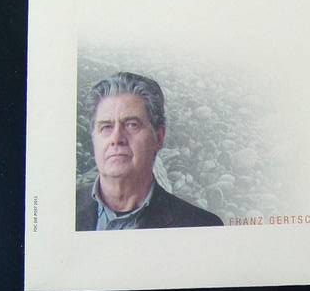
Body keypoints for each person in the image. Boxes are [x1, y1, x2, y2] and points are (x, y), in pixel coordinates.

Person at [76, 71, 223, 230]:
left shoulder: (202, 225)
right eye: (106, 127)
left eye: (132, 125)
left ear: (159, 137)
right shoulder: (62, 210)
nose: (116, 138)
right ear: (93, 138)